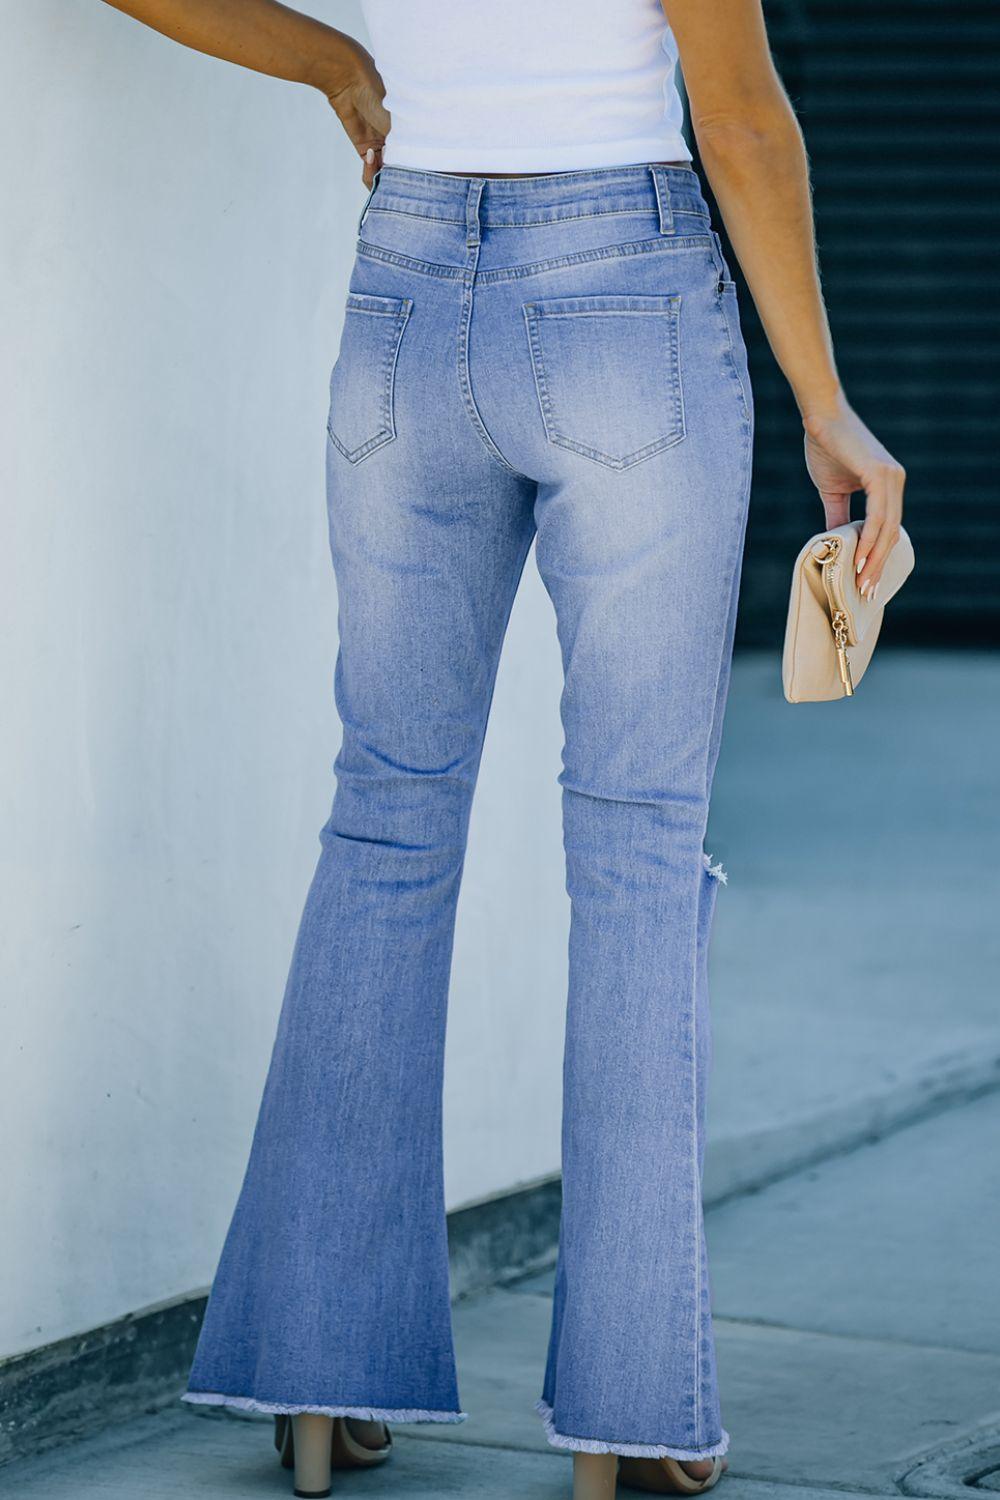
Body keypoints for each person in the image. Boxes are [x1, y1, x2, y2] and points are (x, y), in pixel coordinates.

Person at [103, 3, 906, 1497]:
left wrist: (340, 62)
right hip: (628, 298)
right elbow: (739, 116)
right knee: (638, 850)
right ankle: (627, 1416)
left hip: (407, 291)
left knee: (386, 822)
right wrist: (825, 400)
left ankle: (318, 1389)